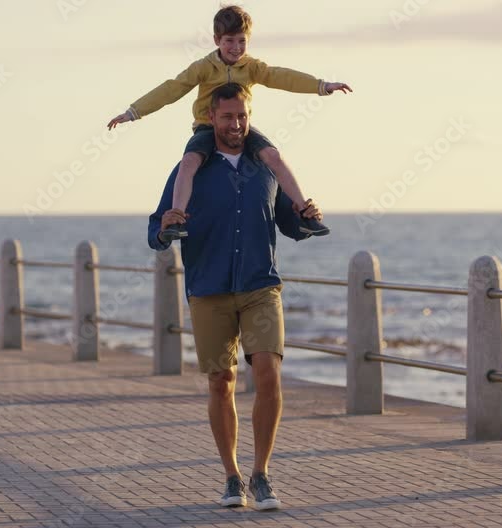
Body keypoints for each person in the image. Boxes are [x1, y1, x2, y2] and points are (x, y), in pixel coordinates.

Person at [147, 83, 322, 510]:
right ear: (211, 117)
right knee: (220, 382)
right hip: (209, 289)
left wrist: (305, 218)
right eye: (227, 117)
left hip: (261, 285)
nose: (236, 124)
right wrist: (165, 225)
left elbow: (286, 223)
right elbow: (157, 228)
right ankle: (231, 476)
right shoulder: (192, 167)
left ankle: (261, 473)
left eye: (242, 116)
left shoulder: (264, 167)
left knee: (268, 373)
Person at [118, 4, 349, 240]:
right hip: (207, 128)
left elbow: (282, 77)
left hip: (242, 129)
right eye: (229, 40)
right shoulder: (203, 67)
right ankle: (177, 217)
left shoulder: (251, 67)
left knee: (274, 157)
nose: (236, 48)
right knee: (188, 162)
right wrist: (134, 112)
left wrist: (321, 86)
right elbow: (172, 89)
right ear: (217, 39)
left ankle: (306, 213)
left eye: (242, 41)